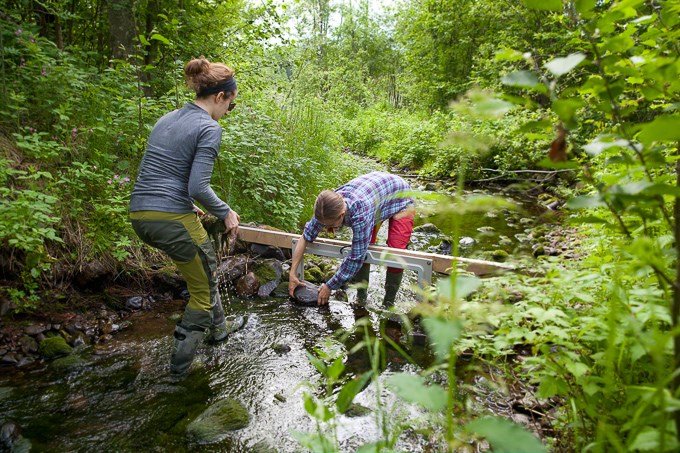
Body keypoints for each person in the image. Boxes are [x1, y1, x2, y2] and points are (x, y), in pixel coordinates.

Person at [129, 57, 243, 374]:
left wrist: (182, 201)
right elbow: (198, 186)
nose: (227, 113)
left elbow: (160, 172)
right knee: (202, 297)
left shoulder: (166, 119)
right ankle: (176, 375)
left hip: (141, 214)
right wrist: (226, 212)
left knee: (205, 271)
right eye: (230, 106)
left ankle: (219, 330)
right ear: (220, 97)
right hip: (171, 220)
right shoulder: (209, 127)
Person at [288, 171, 415, 307]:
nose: (326, 227)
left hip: (401, 197)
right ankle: (361, 297)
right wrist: (292, 273)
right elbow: (305, 237)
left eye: (330, 225)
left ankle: (389, 302)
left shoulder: (361, 214)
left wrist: (329, 286)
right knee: (366, 246)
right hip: (376, 195)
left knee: (395, 253)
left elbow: (356, 258)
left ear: (342, 214)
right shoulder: (327, 206)